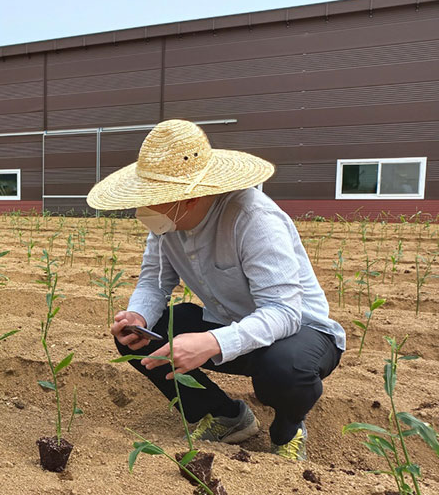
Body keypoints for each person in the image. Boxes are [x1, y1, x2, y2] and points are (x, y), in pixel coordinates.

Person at [87, 119, 345, 460]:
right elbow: (153, 281)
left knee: (284, 368)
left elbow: (284, 312)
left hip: (299, 333)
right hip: (229, 322)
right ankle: (225, 415)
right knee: (140, 339)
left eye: (153, 199)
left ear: (189, 196)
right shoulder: (166, 225)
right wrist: (138, 315)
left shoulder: (252, 218)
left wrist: (212, 342)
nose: (143, 209)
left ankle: (287, 429)